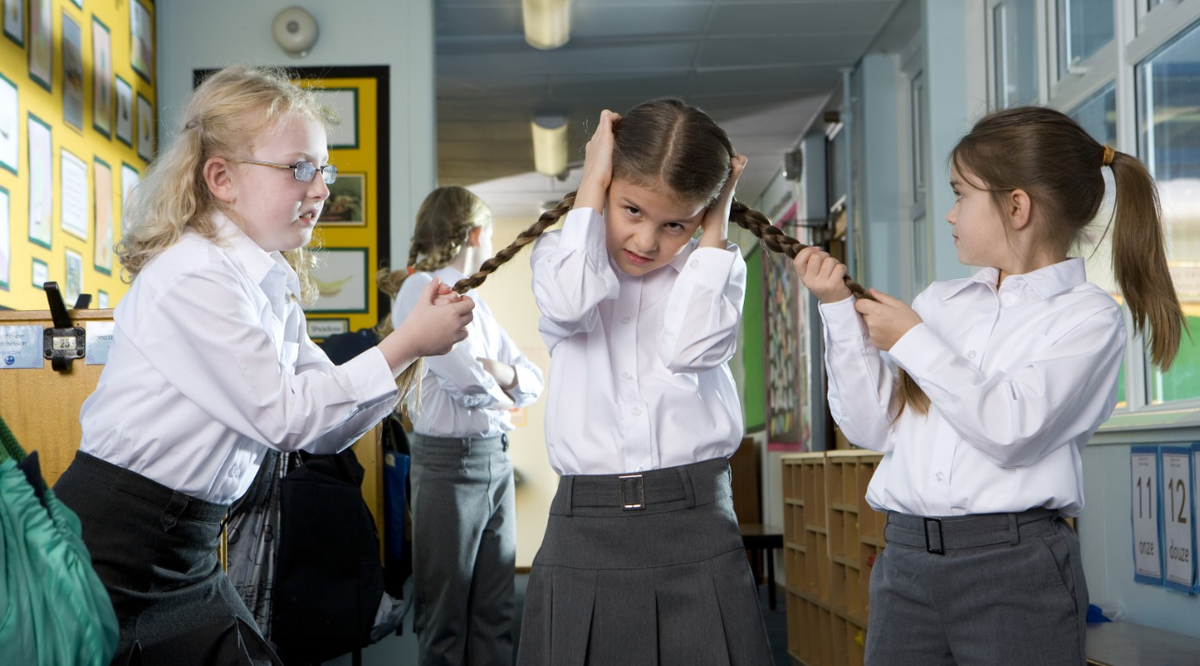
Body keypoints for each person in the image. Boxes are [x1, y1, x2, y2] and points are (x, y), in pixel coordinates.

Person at [52, 65, 475, 666]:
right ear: (221, 178)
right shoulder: (194, 274)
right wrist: (405, 343)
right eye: (300, 168)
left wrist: (411, 347)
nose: (322, 188)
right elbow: (285, 418)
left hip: (189, 545)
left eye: (324, 169)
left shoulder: (268, 281)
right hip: (113, 545)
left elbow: (322, 427)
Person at [793, 106, 1184, 666]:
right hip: (904, 562)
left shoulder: (1087, 320)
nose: (950, 214)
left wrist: (912, 339)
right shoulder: (937, 305)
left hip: (1014, 571)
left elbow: (1010, 429)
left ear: (1017, 207)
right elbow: (871, 429)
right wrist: (837, 313)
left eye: (960, 195)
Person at [451, 99, 783, 665]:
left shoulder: (711, 269)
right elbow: (569, 301)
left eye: (673, 223)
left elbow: (692, 349)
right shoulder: (562, 256)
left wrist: (715, 222)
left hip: (696, 521)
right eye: (631, 210)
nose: (648, 241)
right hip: (587, 525)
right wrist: (592, 180)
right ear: (605, 188)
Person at [377, 186, 545, 666]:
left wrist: (498, 374)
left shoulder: (477, 301)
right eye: (490, 233)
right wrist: (499, 379)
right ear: (475, 232)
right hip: (449, 467)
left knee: (496, 614)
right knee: (445, 619)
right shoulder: (421, 290)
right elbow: (466, 384)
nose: (491, 242)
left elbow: (530, 382)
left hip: (495, 457)